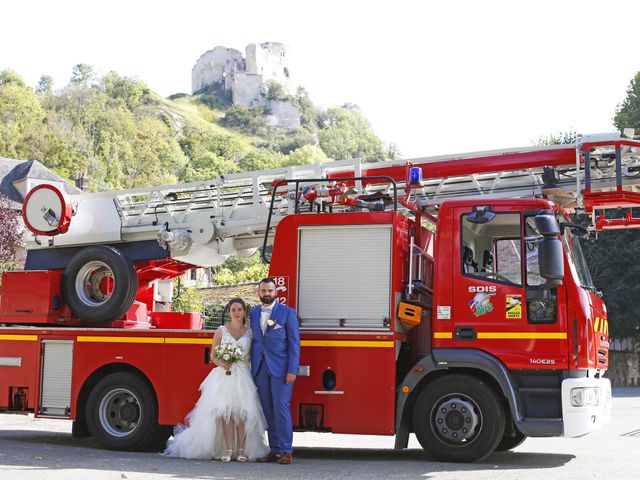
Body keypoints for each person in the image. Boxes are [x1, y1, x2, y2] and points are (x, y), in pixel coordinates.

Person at [163, 297, 269, 461]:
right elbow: (213, 355)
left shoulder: (250, 332)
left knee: (242, 413)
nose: (236, 312)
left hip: (243, 376)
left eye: (239, 309)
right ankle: (227, 449)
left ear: (244, 312)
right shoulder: (221, 330)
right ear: (229, 312)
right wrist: (223, 363)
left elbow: (253, 355)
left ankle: (241, 450)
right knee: (224, 412)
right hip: (224, 375)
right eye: (233, 310)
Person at [250, 278, 300, 465]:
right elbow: (255, 341)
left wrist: (292, 369)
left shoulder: (287, 313)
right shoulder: (254, 313)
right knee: (268, 410)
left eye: (270, 290)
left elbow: (295, 344)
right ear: (259, 292)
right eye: (263, 290)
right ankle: (275, 449)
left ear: (276, 292)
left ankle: (286, 451)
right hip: (260, 368)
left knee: (281, 408)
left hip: (281, 369)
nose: (266, 294)